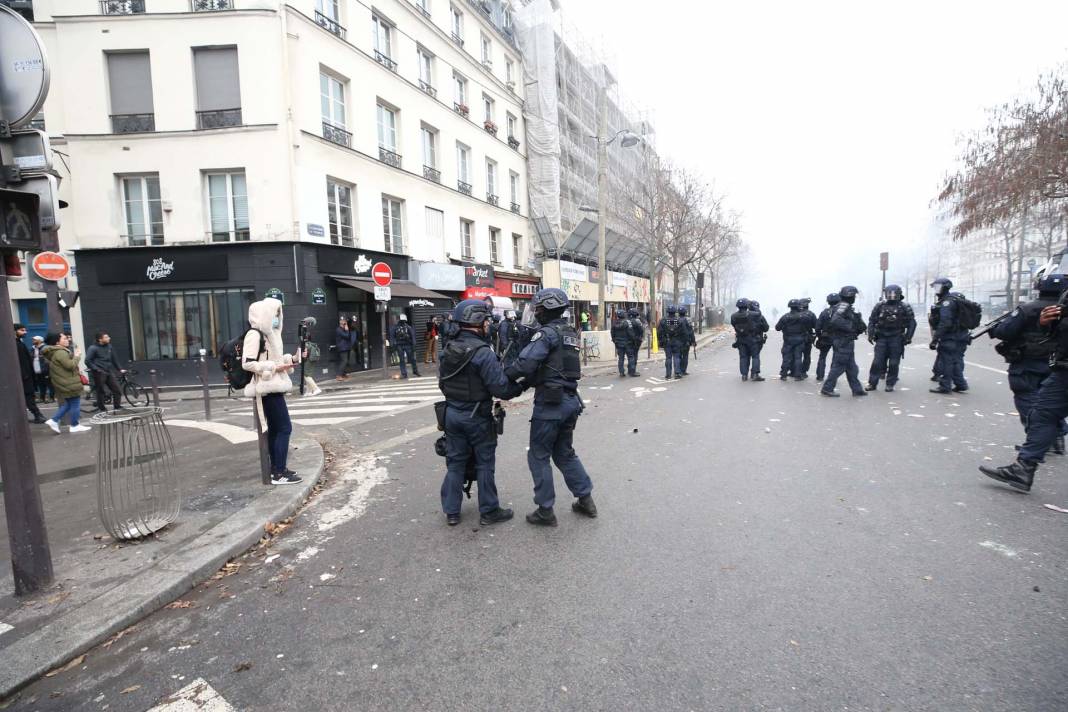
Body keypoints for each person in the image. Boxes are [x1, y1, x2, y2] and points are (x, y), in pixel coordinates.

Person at [505, 288, 596, 526]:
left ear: (547, 309)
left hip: (551, 404)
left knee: (538, 455)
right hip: (569, 400)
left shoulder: (546, 334)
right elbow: (554, 368)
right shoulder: (569, 333)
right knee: (564, 452)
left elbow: (525, 364)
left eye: (538, 308)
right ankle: (585, 499)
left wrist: (506, 375)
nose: (535, 313)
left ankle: (545, 510)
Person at [438, 300, 524, 526]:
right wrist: (521, 385)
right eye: (486, 320)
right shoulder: (483, 353)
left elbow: (442, 383)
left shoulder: (448, 348)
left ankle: (452, 512)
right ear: (476, 322)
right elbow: (501, 389)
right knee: (484, 463)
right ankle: (489, 511)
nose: (488, 324)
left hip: (451, 414)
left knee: (455, 462)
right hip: (476, 417)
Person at [980, 300, 1068, 492]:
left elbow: (1005, 331)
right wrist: (1046, 323)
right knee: (1043, 414)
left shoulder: (1027, 308)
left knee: (1041, 411)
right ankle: (1023, 468)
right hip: (1061, 369)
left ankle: (1024, 467)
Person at [987, 270, 1067, 452]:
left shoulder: (1028, 309)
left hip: (1028, 362)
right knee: (1052, 402)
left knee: (1028, 400)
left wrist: (996, 329)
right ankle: (1057, 435)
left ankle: (1037, 442)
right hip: (1058, 364)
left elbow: (1004, 332)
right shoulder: (1062, 310)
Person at [242, 297, 302, 485]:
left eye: (278, 314)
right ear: (265, 314)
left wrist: (292, 359)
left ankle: (278, 469)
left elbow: (276, 360)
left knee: (277, 429)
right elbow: (247, 363)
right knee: (285, 428)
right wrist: (273, 368)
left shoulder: (272, 334)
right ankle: (279, 472)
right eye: (275, 313)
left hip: (275, 386)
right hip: (266, 387)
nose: (277, 317)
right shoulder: (254, 335)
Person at [865, 284, 917, 393]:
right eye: (889, 293)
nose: (891, 296)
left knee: (894, 363)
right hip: (882, 337)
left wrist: (908, 337)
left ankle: (890, 383)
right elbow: (872, 321)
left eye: (893, 293)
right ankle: (872, 383)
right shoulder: (879, 306)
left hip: (896, 337)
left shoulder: (904, 306)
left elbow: (912, 322)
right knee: (877, 362)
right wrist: (870, 334)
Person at [820, 286, 868, 397]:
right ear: (849, 296)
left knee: (852, 368)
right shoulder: (843, 306)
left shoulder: (846, 306)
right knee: (839, 366)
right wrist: (851, 327)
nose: (855, 298)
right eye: (853, 296)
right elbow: (835, 320)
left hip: (845, 340)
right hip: (843, 340)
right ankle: (827, 388)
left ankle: (857, 389)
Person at [41, 332, 91, 434]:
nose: (67, 340)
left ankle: (54, 420)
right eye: (64, 338)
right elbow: (70, 365)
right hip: (69, 382)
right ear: (57, 342)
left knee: (68, 404)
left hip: (65, 382)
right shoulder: (60, 352)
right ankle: (74, 425)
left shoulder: (57, 352)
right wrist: (77, 356)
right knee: (75, 404)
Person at [928, 277, 971, 394]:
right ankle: (961, 384)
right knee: (956, 360)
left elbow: (945, 322)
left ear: (945, 287)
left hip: (951, 337)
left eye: (937, 287)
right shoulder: (955, 299)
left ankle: (945, 385)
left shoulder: (947, 302)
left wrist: (935, 339)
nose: (936, 290)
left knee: (946, 361)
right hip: (961, 336)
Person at [85, 332, 125, 412]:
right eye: (106, 337)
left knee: (117, 389)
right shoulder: (93, 348)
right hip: (99, 372)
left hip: (109, 371)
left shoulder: (109, 346)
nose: (109, 338)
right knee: (101, 391)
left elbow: (114, 359)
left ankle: (117, 407)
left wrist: (120, 369)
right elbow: (87, 361)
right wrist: (96, 369)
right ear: (100, 339)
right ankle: (102, 408)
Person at [15, 324, 47, 424]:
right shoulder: (15, 344)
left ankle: (36, 415)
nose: (25, 332)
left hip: (27, 375)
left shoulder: (19, 343)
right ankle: (37, 415)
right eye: (22, 330)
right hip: (25, 376)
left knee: (29, 396)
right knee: (28, 396)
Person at [775, 299, 812, 380]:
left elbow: (777, 328)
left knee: (786, 357)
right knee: (798, 357)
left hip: (788, 340)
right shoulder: (804, 317)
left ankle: (783, 374)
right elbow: (810, 327)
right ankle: (798, 375)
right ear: (798, 306)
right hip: (800, 339)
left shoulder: (785, 317)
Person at [730, 298, 765, 382]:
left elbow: (734, 325)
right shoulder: (752, 314)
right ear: (747, 305)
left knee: (743, 357)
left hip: (741, 339)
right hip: (752, 339)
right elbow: (759, 314)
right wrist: (754, 306)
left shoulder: (733, 316)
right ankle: (755, 375)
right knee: (755, 356)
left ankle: (744, 375)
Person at [814, 293, 840, 382]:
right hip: (838, 338)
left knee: (822, 357)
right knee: (835, 358)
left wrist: (819, 337)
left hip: (825, 337)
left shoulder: (824, 312)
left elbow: (818, 327)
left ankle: (820, 376)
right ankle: (832, 377)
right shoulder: (841, 312)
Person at [389, 314, 420, 379]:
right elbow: (392, 337)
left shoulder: (408, 327)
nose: (402, 322)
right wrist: (392, 345)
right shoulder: (395, 327)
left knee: (412, 359)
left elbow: (412, 336)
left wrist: (414, 345)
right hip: (399, 345)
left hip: (407, 344)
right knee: (402, 360)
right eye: (401, 320)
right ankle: (404, 374)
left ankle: (415, 371)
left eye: (403, 321)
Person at [657, 305, 684, 380]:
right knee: (676, 357)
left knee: (668, 358)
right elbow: (683, 332)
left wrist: (660, 341)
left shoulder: (663, 320)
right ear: (675, 311)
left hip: (667, 341)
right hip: (677, 341)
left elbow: (659, 332)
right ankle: (677, 373)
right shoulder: (679, 320)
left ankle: (668, 374)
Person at [610, 309, 633, 377]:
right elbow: (630, 333)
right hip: (627, 343)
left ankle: (621, 372)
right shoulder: (627, 322)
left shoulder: (614, 323)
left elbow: (612, 333)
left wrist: (615, 341)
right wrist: (632, 340)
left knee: (621, 358)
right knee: (630, 357)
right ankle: (631, 371)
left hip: (618, 343)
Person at [334, 317, 358, 381]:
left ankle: (343, 374)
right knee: (344, 361)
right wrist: (347, 330)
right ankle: (339, 376)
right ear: (340, 322)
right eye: (343, 321)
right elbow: (347, 336)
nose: (345, 322)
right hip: (342, 348)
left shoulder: (343, 329)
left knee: (345, 361)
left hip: (346, 347)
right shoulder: (339, 330)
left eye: (345, 321)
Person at [31, 335, 53, 403]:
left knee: (49, 384)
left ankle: (51, 398)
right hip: (36, 370)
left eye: (35, 340)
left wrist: (47, 369)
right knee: (40, 385)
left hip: (45, 370)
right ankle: (42, 398)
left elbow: (49, 359)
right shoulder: (33, 349)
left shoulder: (45, 348)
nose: (33, 341)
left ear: (40, 341)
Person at [677, 305, 697, 376]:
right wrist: (693, 341)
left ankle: (678, 370)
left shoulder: (676, 320)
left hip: (677, 342)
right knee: (685, 356)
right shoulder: (688, 320)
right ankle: (683, 370)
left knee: (678, 356)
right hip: (686, 342)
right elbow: (691, 332)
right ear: (685, 312)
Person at [625, 307, 643, 377]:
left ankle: (630, 370)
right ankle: (632, 371)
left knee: (630, 356)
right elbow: (641, 330)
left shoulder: (626, 321)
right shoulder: (637, 321)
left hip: (627, 341)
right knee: (634, 356)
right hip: (636, 341)